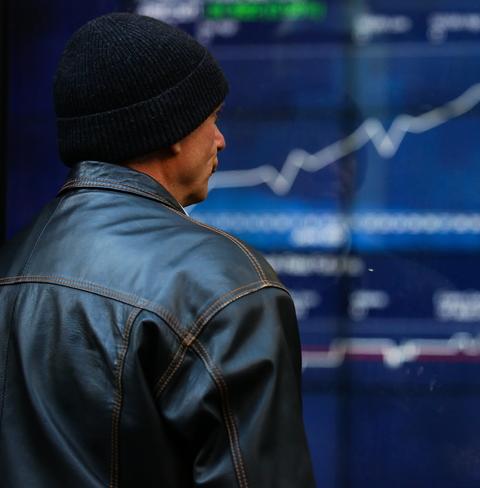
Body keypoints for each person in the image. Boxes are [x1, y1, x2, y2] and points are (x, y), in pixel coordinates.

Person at [0, 12, 315, 487]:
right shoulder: (226, 284)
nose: (221, 140)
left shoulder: (11, 265)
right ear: (171, 128)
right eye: (213, 119)